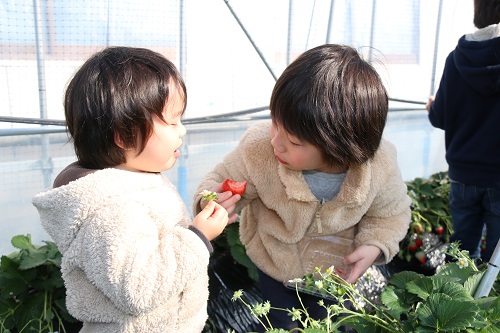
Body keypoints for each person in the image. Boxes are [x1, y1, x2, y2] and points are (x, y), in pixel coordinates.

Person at [193, 44, 411, 331]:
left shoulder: (379, 167)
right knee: (283, 322)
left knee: (333, 323)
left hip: (336, 272)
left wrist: (374, 245)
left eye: (294, 141)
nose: (276, 142)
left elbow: (391, 215)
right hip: (276, 264)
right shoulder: (259, 151)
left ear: (342, 148)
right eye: (274, 123)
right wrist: (213, 199)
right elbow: (221, 177)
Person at [32, 46, 233, 333]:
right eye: (173, 121)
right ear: (124, 136)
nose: (182, 130)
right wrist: (198, 237)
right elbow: (140, 289)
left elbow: (156, 238)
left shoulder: (135, 176)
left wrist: (201, 219)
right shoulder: (110, 210)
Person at [426, 0, 500, 263]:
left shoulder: (456, 59)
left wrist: (433, 107)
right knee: (496, 263)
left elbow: (440, 117)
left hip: (463, 177)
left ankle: (458, 303)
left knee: (462, 255)